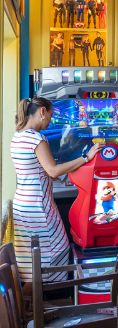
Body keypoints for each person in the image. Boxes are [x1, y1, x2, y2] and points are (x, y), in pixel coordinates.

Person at [11, 97, 102, 290]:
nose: (50, 121)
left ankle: (28, 310)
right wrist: (86, 157)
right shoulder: (37, 138)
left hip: (22, 205)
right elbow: (52, 170)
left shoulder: (17, 136)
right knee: (57, 249)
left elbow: (39, 171)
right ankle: (43, 308)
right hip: (39, 208)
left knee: (31, 262)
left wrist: (69, 177)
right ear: (42, 111)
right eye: (50, 115)